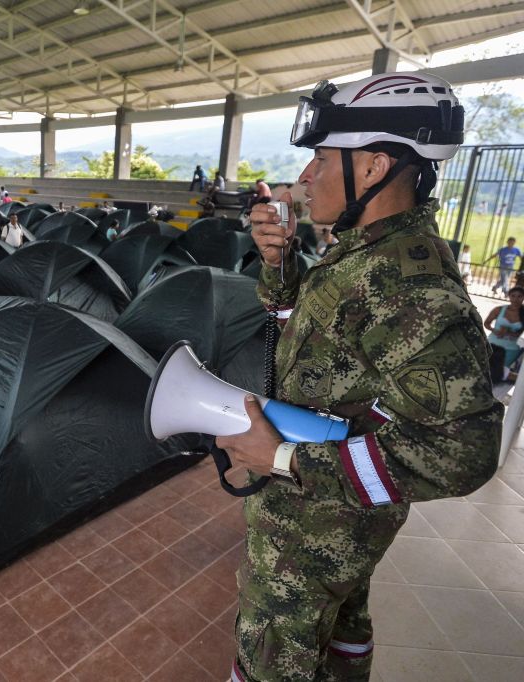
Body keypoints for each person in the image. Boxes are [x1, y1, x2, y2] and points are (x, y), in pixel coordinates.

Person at [216, 72, 501, 682]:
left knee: (273, 659)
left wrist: (285, 458)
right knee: (343, 631)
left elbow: (465, 453)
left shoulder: (407, 285)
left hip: (318, 525)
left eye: (321, 159)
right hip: (336, 518)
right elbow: (327, 343)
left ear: (373, 168)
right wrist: (281, 263)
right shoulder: (368, 252)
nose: (306, 178)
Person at [485, 286, 524, 368]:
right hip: (492, 345)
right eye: (513, 296)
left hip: (510, 348)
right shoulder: (499, 309)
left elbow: (519, 333)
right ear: (509, 296)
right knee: (485, 369)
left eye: (519, 296)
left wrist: (510, 333)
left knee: (500, 373)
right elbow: (486, 323)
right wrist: (494, 330)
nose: (516, 299)